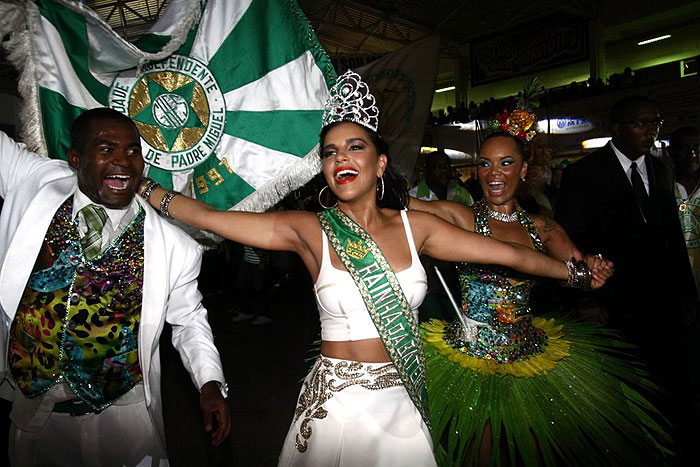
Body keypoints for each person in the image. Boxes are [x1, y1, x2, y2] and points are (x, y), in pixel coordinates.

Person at [137, 71, 601, 467]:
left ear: (379, 164)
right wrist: (147, 189)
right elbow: (214, 220)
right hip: (336, 404)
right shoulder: (307, 229)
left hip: (404, 397)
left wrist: (576, 273)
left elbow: (512, 255)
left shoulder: (418, 227)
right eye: (330, 151)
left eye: (354, 147)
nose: (340, 158)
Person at [410, 129, 669, 466]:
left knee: (533, 450)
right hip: (470, 358)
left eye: (506, 163)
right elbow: (405, 203)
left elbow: (580, 273)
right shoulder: (464, 217)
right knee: (479, 453)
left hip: (528, 355)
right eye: (486, 164)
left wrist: (594, 268)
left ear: (523, 169)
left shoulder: (542, 227)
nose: (494, 174)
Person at [0, 108, 230, 466]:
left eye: (133, 151)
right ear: (76, 158)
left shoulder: (174, 246)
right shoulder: (37, 184)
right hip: (38, 416)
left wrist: (209, 383)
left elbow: (189, 321)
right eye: (106, 149)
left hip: (123, 420)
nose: (123, 161)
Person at [556, 96, 699, 462]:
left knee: (673, 382)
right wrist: (585, 299)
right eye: (640, 123)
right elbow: (571, 242)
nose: (650, 130)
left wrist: (686, 294)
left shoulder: (661, 169)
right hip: (613, 302)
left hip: (663, 299)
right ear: (616, 128)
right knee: (627, 389)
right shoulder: (584, 174)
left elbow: (671, 240)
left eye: (655, 122)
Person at [410, 151, 473, 323]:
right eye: (439, 166)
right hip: (432, 272)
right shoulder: (413, 197)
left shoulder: (462, 194)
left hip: (461, 269)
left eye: (447, 166)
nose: (444, 171)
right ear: (427, 170)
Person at [670, 126, 700, 298]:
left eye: (697, 148)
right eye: (685, 148)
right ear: (670, 152)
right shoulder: (660, 186)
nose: (692, 154)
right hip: (675, 281)